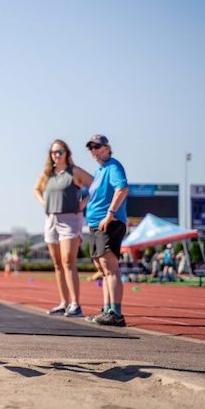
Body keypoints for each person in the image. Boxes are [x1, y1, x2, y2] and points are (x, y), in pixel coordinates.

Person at [33, 139, 94, 318]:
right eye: (53, 152)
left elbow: (96, 184)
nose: (56, 155)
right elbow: (36, 189)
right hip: (51, 219)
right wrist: (43, 203)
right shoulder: (48, 173)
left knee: (68, 261)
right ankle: (64, 303)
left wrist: (84, 203)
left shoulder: (74, 171)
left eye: (60, 151)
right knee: (58, 264)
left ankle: (75, 304)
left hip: (70, 219)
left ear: (67, 153)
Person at [83, 134, 129, 327]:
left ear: (107, 147)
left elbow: (122, 189)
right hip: (95, 223)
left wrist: (110, 214)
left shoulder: (113, 166)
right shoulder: (100, 170)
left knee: (110, 268)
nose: (93, 150)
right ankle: (107, 309)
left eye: (97, 146)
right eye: (91, 147)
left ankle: (116, 313)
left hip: (109, 222)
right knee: (103, 269)